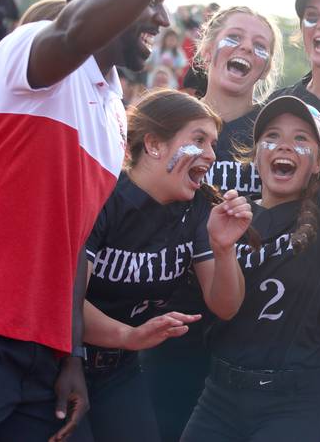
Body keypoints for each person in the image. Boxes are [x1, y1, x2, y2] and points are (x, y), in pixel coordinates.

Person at [0, 0, 205, 440]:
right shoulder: (35, 48)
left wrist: (71, 356)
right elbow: (72, 30)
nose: (161, 18)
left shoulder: (114, 114)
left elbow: (75, 250)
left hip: (41, 355)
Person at [180, 0, 320, 442]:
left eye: (301, 140)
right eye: (272, 136)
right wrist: (222, 247)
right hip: (219, 395)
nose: (284, 147)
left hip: (291, 405)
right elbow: (224, 307)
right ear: (255, 156)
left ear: (318, 160)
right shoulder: (232, 218)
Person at [74, 89, 251, 442]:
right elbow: (64, 302)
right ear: (154, 145)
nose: (211, 155)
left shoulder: (197, 206)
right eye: (198, 140)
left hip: (119, 370)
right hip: (61, 363)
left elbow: (225, 306)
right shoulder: (104, 193)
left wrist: (223, 247)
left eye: (213, 143)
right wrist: (129, 335)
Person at [140, 5, 283, 441]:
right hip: (167, 316)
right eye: (234, 37)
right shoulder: (170, 117)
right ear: (205, 47)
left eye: (260, 46)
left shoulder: (276, 130)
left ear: (266, 67)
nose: (246, 49)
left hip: (245, 326)